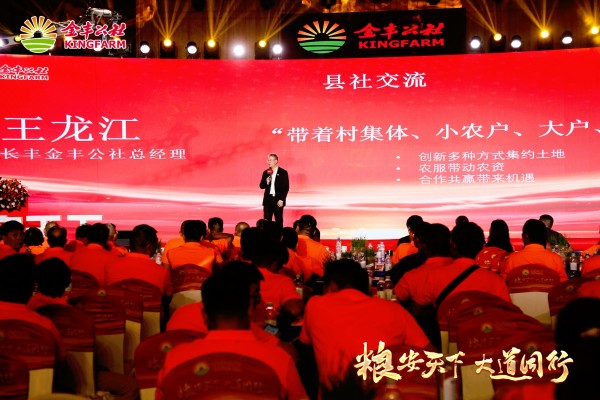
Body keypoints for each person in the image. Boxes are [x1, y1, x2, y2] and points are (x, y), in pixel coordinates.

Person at [156, 262, 307, 400]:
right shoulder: (278, 360)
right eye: (255, 297)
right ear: (249, 307)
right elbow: (292, 355)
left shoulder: (173, 359)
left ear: (205, 314)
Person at [299, 259, 430, 393]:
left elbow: (305, 347)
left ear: (331, 285)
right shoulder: (395, 310)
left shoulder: (315, 305)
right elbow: (430, 354)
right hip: (386, 394)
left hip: (334, 395)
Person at [105, 224, 172, 296]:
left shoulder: (110, 267)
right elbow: (168, 295)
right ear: (150, 246)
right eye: (155, 243)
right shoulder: (162, 272)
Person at [502, 219, 568, 281]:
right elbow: (563, 284)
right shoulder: (556, 259)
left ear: (525, 237)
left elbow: (506, 282)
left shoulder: (512, 259)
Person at [260, 153, 289, 228]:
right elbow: (261, 186)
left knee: (278, 221)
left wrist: (282, 199)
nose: (269, 162)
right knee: (266, 222)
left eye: (271, 160)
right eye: (268, 160)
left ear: (276, 161)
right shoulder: (266, 172)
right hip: (268, 201)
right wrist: (266, 182)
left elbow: (286, 188)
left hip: (278, 201)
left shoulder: (283, 172)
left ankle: (279, 234)